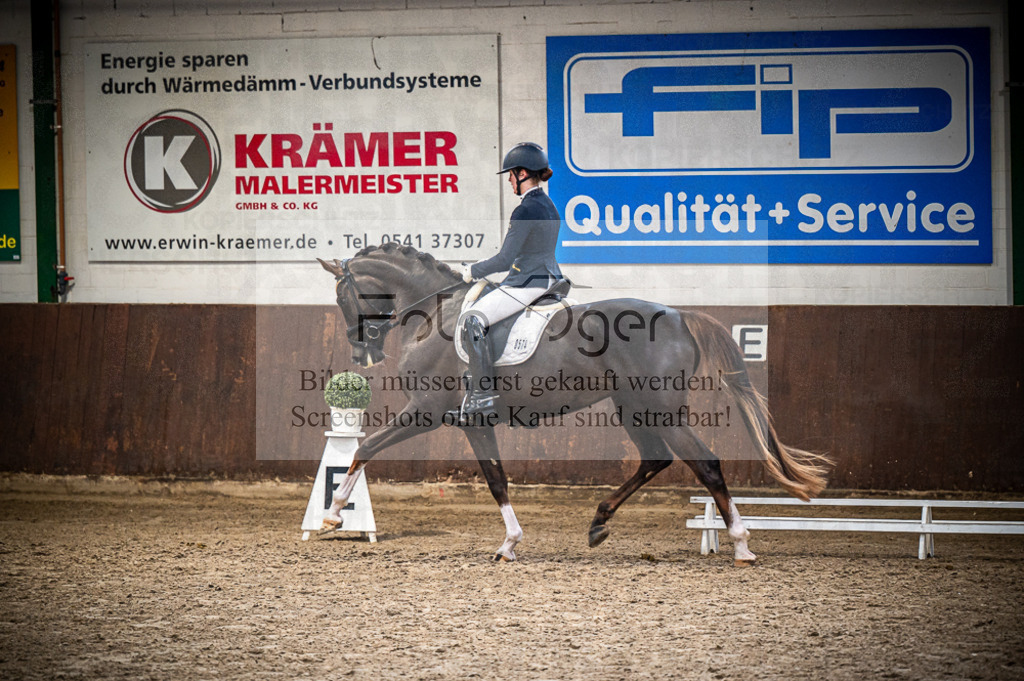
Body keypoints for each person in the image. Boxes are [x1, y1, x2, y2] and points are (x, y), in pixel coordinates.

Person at [454, 142, 564, 420]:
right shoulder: (548, 204)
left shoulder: (525, 209)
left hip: (528, 283)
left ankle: (480, 396)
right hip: (550, 279)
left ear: (523, 173)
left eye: (510, 175)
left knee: (473, 320)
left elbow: (505, 259)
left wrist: (473, 270)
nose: (509, 181)